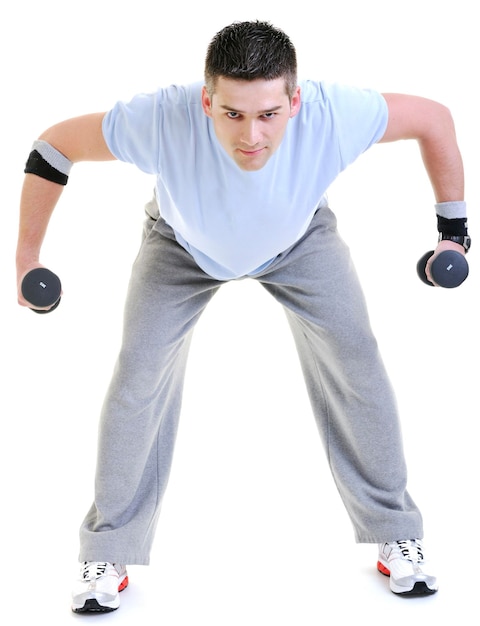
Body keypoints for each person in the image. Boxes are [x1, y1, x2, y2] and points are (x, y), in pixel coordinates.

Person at [16, 20, 468, 614]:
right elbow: (53, 145)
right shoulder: (161, 119)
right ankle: (108, 551)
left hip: (299, 241)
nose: (251, 135)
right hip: (181, 247)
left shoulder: (336, 115)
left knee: (358, 363)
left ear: (294, 100)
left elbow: (433, 118)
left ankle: (396, 536)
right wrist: (27, 257)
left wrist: (454, 235)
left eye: (269, 114)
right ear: (207, 99)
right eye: (232, 114)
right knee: (137, 378)